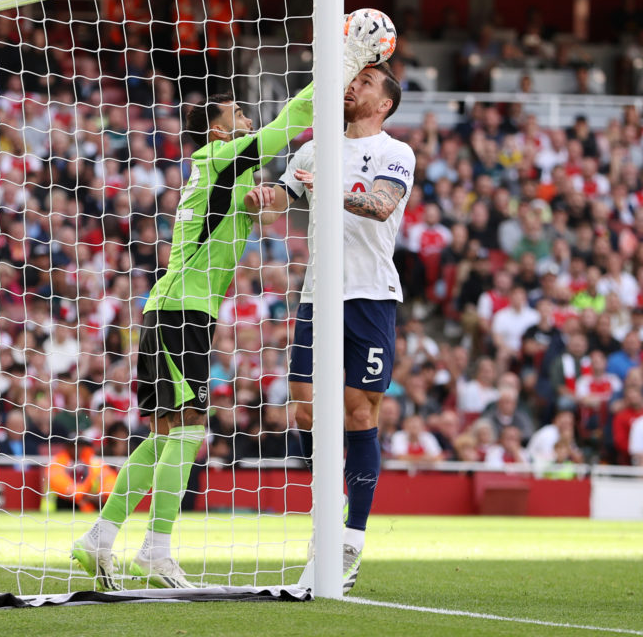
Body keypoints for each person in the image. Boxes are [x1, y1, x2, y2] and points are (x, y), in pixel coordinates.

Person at [71, 82, 316, 590]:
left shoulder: (222, 170)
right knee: (188, 432)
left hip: (172, 308)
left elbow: (259, 211)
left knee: (165, 435)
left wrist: (277, 195)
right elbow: (288, 123)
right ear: (219, 128)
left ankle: (100, 535)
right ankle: (156, 550)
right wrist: (340, 66)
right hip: (183, 309)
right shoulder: (223, 157)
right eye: (238, 112)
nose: (247, 116)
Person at [248, 62, 413, 595]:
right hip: (319, 293)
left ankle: (351, 540)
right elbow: (278, 206)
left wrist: (331, 190)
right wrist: (261, 200)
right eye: (354, 79)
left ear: (384, 103)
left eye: (366, 83)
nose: (353, 86)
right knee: (302, 403)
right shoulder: (315, 147)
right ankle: (324, 523)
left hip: (370, 296)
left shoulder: (394, 153)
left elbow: (381, 205)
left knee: (360, 410)